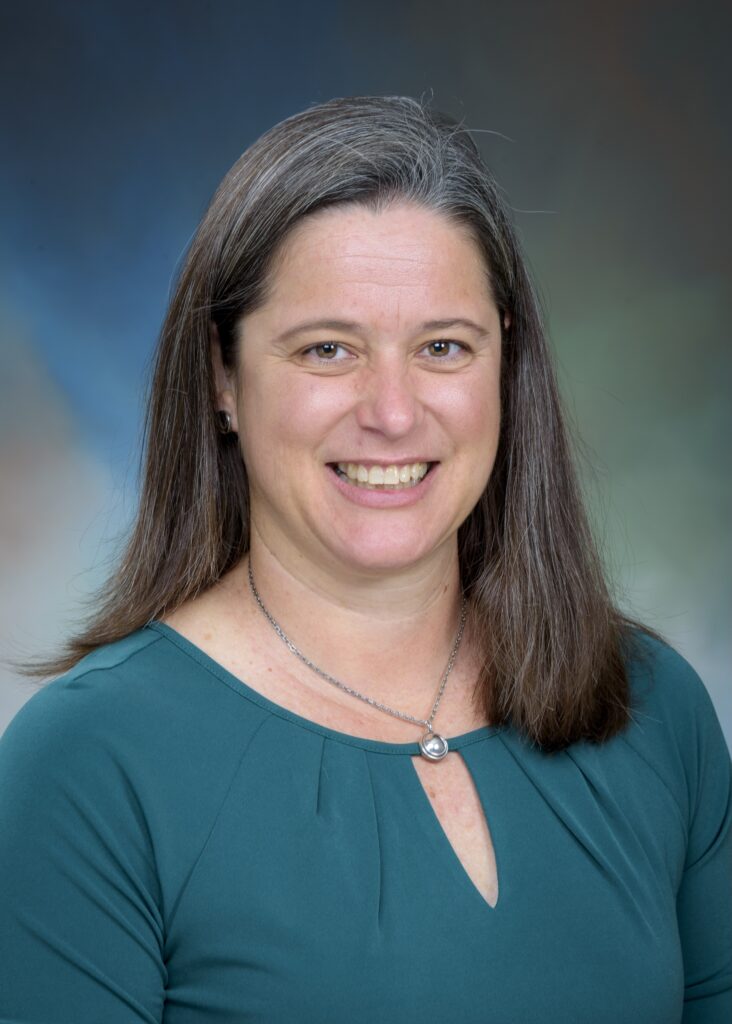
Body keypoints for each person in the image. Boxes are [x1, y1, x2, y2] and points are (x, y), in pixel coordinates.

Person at [0, 95, 730, 1023]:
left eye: (442, 347)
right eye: (329, 349)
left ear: (506, 363)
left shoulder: (654, 709)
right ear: (224, 377)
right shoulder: (87, 765)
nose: (392, 410)